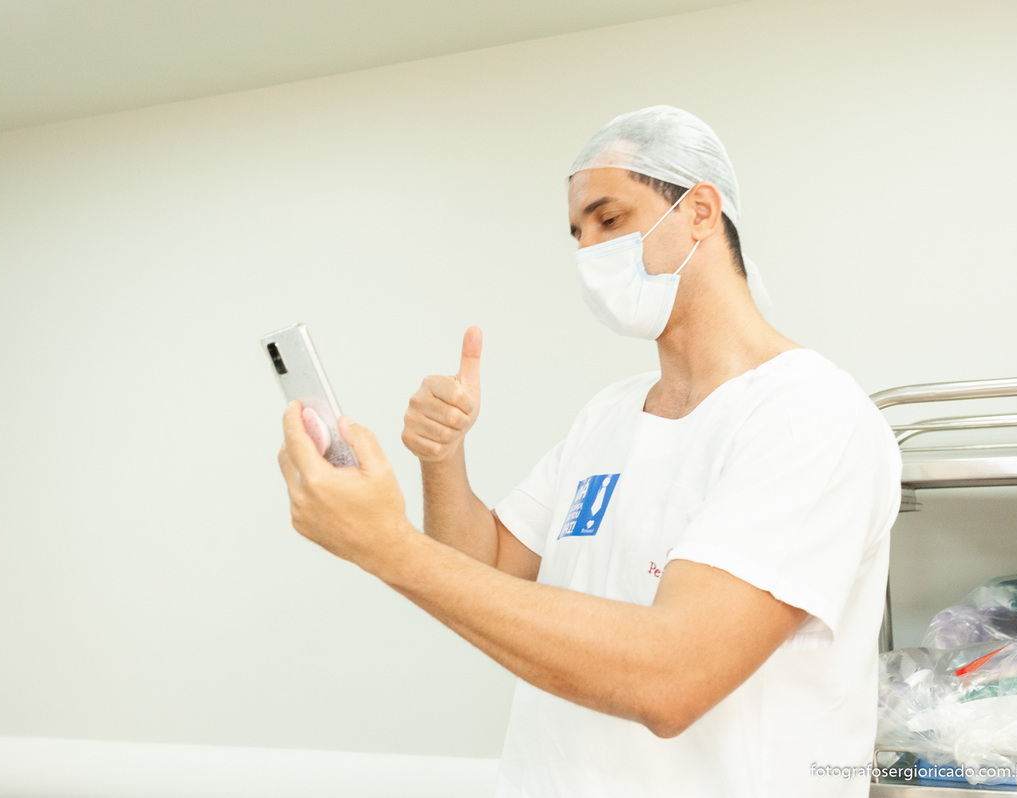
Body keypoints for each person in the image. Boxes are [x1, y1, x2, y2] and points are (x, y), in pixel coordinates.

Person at [277, 105, 902, 797]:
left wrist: (385, 546)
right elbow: (481, 570)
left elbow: (674, 676)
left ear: (700, 211)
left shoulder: (807, 415)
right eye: (577, 234)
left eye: (610, 220)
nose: (589, 254)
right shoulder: (610, 414)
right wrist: (442, 456)